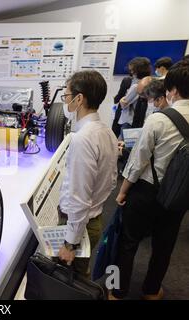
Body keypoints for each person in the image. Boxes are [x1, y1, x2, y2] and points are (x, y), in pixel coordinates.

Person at [111, 60, 189, 300]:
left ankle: (118, 291)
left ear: (173, 90)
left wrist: (123, 191)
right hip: (180, 192)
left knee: (128, 242)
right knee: (165, 245)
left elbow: (137, 162)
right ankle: (152, 290)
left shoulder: (159, 119)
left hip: (146, 191)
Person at [57, 70, 118, 278]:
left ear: (79, 98)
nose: (65, 102)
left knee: (70, 282)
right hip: (94, 219)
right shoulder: (106, 131)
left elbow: (79, 198)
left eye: (66, 96)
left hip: (79, 228)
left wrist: (70, 243)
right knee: (81, 273)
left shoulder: (82, 138)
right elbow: (111, 180)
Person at [116, 57, 152, 138]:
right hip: (141, 121)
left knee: (123, 146)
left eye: (132, 70)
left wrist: (121, 99)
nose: (131, 72)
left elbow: (124, 104)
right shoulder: (149, 82)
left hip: (129, 120)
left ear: (137, 71)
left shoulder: (136, 86)